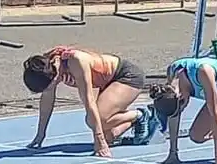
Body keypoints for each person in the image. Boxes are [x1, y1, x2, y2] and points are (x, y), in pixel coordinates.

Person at [22, 46, 154, 156]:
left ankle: (140, 115)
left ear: (54, 76)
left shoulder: (76, 61)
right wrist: (40, 134)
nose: (49, 90)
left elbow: (89, 101)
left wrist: (99, 141)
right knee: (108, 135)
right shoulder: (47, 67)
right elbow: (46, 104)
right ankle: (131, 121)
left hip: (126, 77)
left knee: (94, 122)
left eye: (48, 87)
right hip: (107, 84)